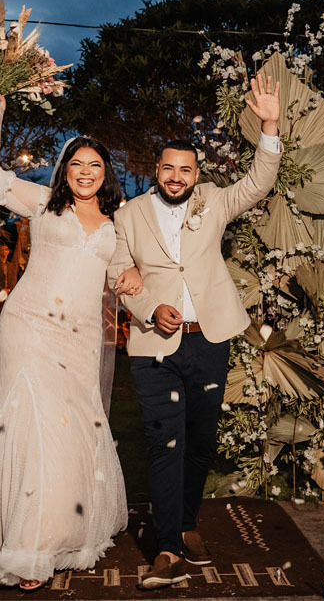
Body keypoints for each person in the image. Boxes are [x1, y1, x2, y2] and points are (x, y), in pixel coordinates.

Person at [0, 95, 139, 591]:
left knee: (70, 428)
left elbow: (129, 268)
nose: (85, 172)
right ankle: (28, 545)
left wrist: (135, 273)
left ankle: (62, 529)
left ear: (106, 174)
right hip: (30, 326)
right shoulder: (43, 203)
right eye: (77, 164)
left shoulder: (118, 224)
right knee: (34, 426)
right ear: (65, 169)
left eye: (95, 165)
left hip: (81, 336)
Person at [107, 73, 282, 589]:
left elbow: (259, 182)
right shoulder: (130, 215)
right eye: (169, 167)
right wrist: (147, 308)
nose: (177, 176)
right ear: (156, 170)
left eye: (186, 169)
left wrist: (270, 125)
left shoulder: (214, 200)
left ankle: (186, 524)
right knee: (165, 441)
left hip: (209, 339)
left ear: (196, 173)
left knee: (201, 440)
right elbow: (118, 274)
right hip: (153, 347)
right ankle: (166, 547)